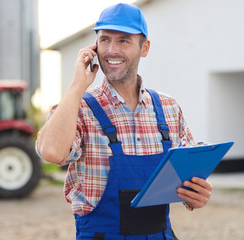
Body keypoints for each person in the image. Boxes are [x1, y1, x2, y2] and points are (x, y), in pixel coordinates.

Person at [36, 3, 213, 240]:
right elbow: (51, 152)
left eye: (124, 41)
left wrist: (196, 195)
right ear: (94, 47)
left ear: (145, 47)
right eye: (104, 40)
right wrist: (77, 85)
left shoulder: (169, 108)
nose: (111, 50)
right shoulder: (79, 108)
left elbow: (188, 178)